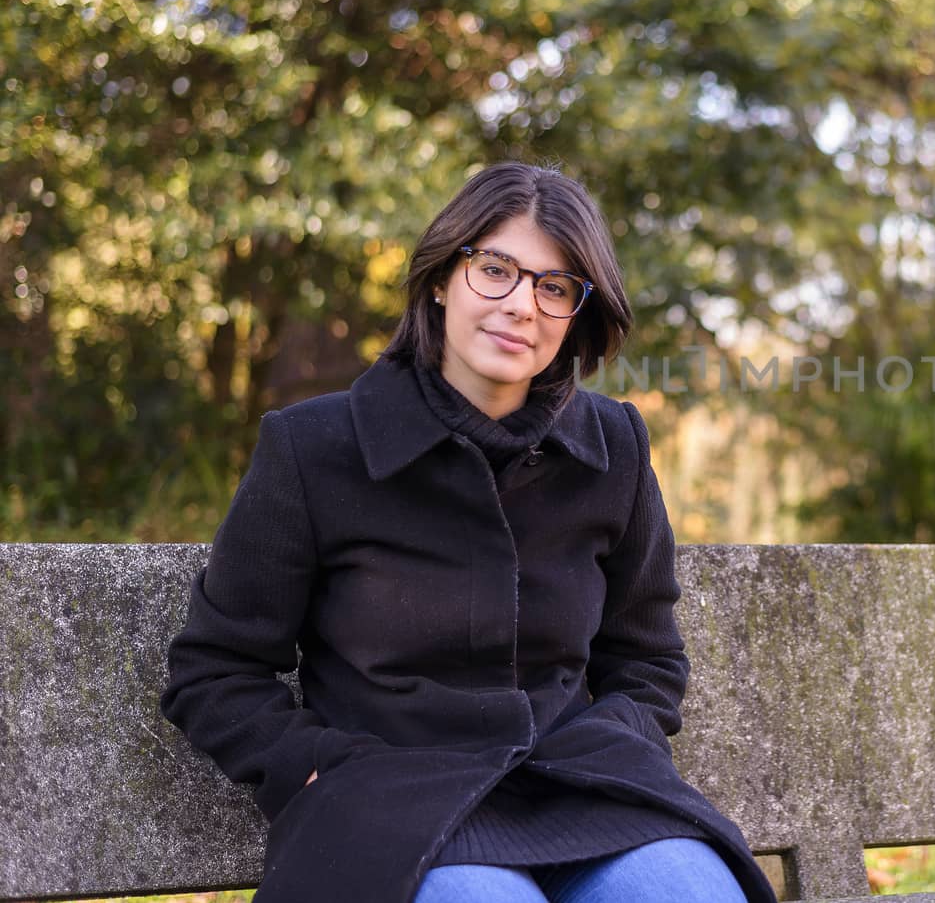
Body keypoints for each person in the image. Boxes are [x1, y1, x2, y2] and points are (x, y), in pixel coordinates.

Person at [160, 162, 778, 903]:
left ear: (578, 313)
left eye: (554, 287)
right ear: (441, 278)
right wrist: (320, 765)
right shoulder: (314, 448)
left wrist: (622, 738)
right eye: (497, 270)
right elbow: (215, 671)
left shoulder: (614, 446)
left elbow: (646, 657)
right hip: (393, 804)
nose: (522, 305)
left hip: (582, 790)